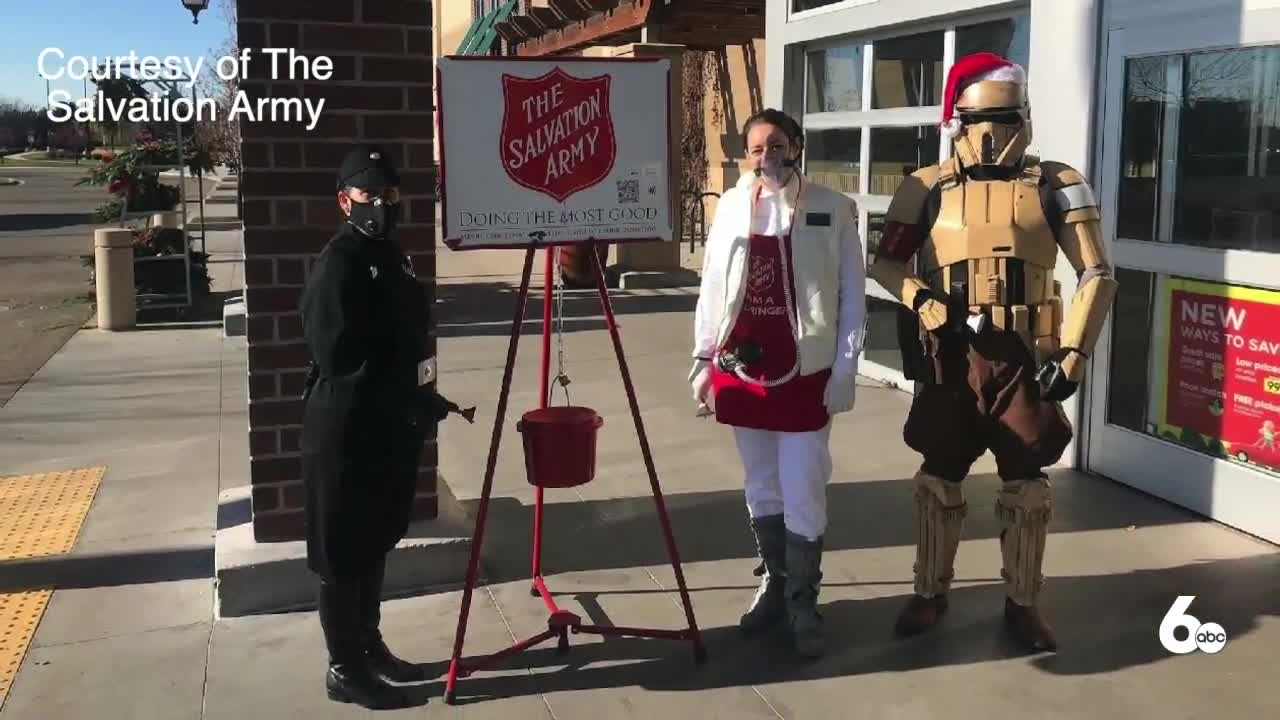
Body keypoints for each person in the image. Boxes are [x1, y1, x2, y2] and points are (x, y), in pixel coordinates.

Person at [867, 52, 1118, 651]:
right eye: (982, 118)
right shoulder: (924, 187)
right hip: (950, 354)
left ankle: (1023, 602)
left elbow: (1097, 273)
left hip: (1025, 355)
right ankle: (930, 591)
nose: (992, 134)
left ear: (1025, 117)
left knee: (1027, 486)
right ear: (957, 120)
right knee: (938, 478)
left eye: (1006, 118)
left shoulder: (1057, 183)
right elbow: (886, 263)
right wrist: (923, 301)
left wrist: (1076, 353)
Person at [690, 108, 866, 658]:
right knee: (760, 483)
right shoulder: (733, 209)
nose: (767, 156)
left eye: (777, 144)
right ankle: (773, 585)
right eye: (757, 147)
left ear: (797, 147)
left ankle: (802, 603)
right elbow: (713, 288)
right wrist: (702, 359)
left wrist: (844, 367)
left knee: (804, 486)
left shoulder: (834, 210)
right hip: (743, 369)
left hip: (804, 374)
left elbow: (851, 296)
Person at [300, 144, 464, 708]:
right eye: (371, 195)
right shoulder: (339, 262)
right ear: (345, 200)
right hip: (346, 430)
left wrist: (421, 396)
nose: (383, 205)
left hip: (386, 427)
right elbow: (339, 354)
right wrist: (397, 395)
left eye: (391, 195)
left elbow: (405, 338)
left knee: (373, 543)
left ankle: (370, 648)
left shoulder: (393, 255)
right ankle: (343, 667)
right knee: (343, 553)